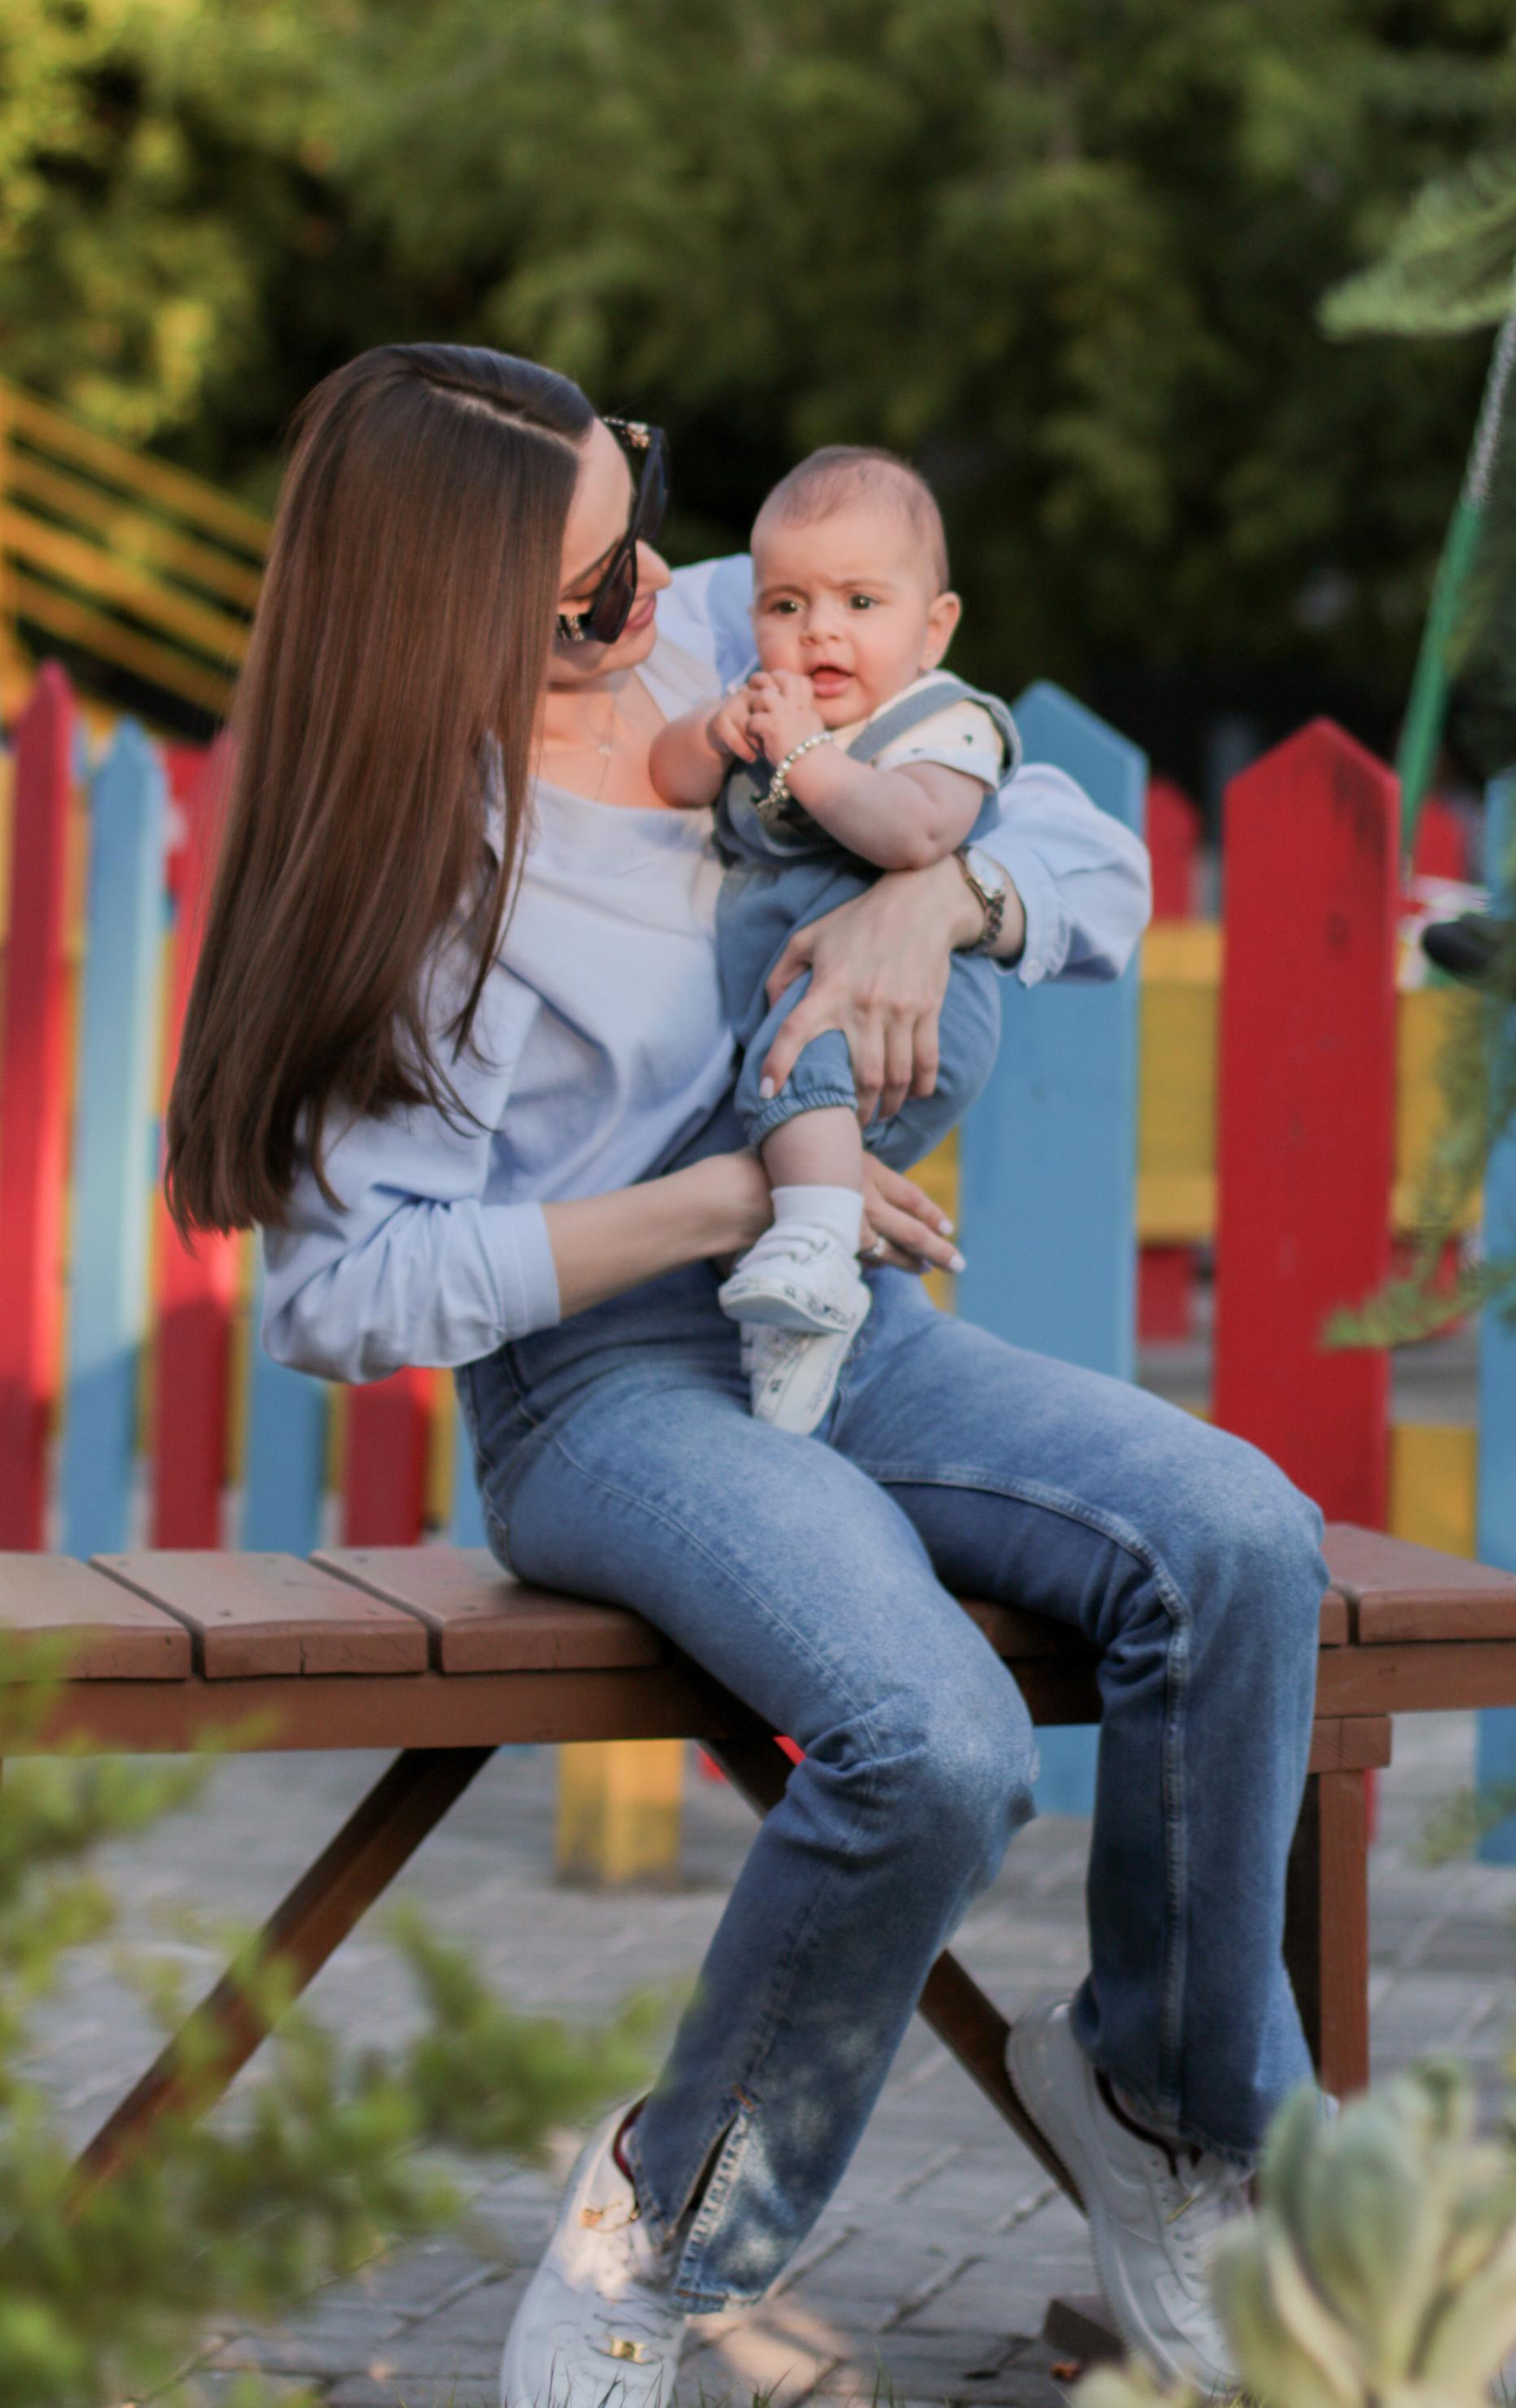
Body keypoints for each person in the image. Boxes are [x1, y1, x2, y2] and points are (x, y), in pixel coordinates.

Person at [166, 344, 1327, 2404]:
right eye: (595, 594)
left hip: (852, 1321)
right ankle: (662, 2230)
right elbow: (342, 1295)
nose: (659, 607)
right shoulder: (429, 855)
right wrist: (716, 1204)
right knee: (928, 1735)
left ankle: (1161, 2115)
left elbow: (1085, 846)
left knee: (1233, 1533)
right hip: (605, 1384)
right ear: (456, 620)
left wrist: (928, 896)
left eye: (638, 516)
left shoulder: (741, 622)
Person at [649, 444, 1020, 1434]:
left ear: (933, 627)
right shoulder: (773, 717)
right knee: (755, 1123)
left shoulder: (943, 721)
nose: (820, 631)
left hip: (887, 1013)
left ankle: (815, 1241)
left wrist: (805, 756)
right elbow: (668, 778)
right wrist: (711, 733)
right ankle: (795, 1330)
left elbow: (913, 832)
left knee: (792, 1076)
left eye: (861, 604)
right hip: (785, 1019)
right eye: (785, 606)